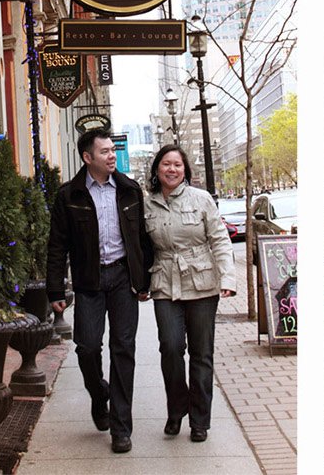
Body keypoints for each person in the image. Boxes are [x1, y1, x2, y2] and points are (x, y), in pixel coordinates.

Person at [47, 128, 152, 454]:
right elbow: (56, 247)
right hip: (89, 281)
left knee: (124, 350)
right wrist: (55, 290)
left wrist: (144, 280)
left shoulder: (129, 189)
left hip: (122, 279)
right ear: (87, 157)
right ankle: (98, 392)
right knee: (87, 347)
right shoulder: (69, 195)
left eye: (112, 150)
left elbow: (143, 239)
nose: (111, 155)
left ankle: (121, 427)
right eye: (104, 151)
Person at [143, 145, 236, 443]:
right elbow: (139, 247)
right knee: (170, 349)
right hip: (163, 283)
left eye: (177, 165)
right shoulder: (147, 205)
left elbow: (219, 239)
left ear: (185, 170)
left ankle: (199, 420)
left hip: (202, 283)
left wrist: (228, 277)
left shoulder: (202, 199)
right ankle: (176, 408)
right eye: (166, 164)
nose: (172, 169)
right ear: (157, 169)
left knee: (201, 354)